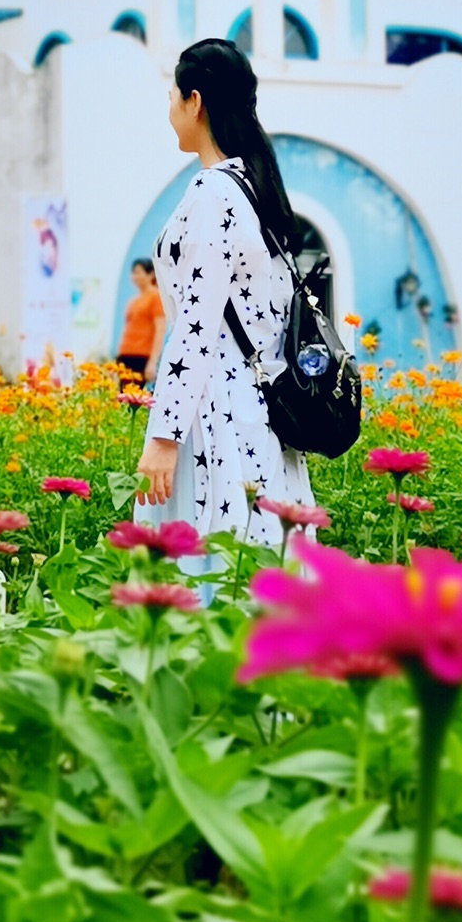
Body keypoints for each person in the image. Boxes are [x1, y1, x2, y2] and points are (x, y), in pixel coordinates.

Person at [136, 37, 314, 543]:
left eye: (173, 96)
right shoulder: (255, 188)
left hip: (214, 414)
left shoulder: (214, 192)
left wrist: (164, 434)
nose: (170, 109)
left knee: (209, 570)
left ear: (195, 101)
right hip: (257, 412)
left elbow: (195, 326)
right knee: (261, 563)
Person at [116, 259, 165, 384]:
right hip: (126, 354)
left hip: (142, 356)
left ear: (150, 274)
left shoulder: (156, 297)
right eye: (133, 273)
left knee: (135, 399)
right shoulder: (133, 301)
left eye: (138, 272)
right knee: (122, 398)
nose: (134, 276)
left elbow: (160, 329)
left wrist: (153, 362)